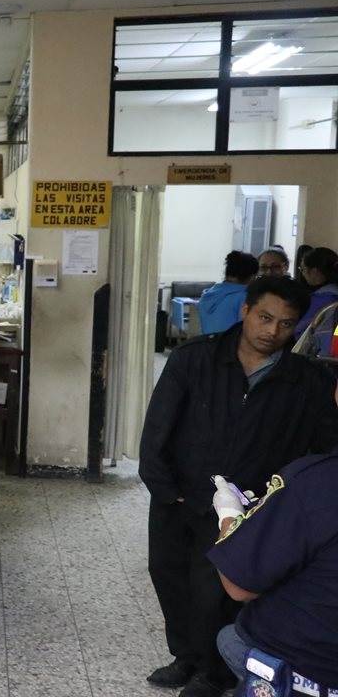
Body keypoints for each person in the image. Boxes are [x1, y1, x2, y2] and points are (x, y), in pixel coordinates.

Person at [139, 276, 338, 697]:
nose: (272, 331)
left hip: (250, 505)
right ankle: (186, 657)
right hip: (181, 496)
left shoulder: (308, 382)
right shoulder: (195, 359)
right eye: (265, 317)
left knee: (215, 590)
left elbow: (323, 449)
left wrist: (281, 503)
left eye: (285, 323)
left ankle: (212, 672)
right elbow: (159, 425)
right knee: (169, 575)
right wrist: (164, 488)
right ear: (245, 310)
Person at [208, 455, 338, 693]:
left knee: (231, 640)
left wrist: (230, 517)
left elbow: (238, 585)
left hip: (310, 669)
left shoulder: (316, 479)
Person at [197, 251, 258, 335]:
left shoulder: (207, 296)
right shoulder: (245, 297)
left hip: (208, 346)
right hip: (231, 347)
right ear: (252, 277)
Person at [295, 246, 338, 337]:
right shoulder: (333, 293)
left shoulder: (320, 299)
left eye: (303, 269)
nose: (302, 274)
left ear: (314, 272)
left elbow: (298, 332)